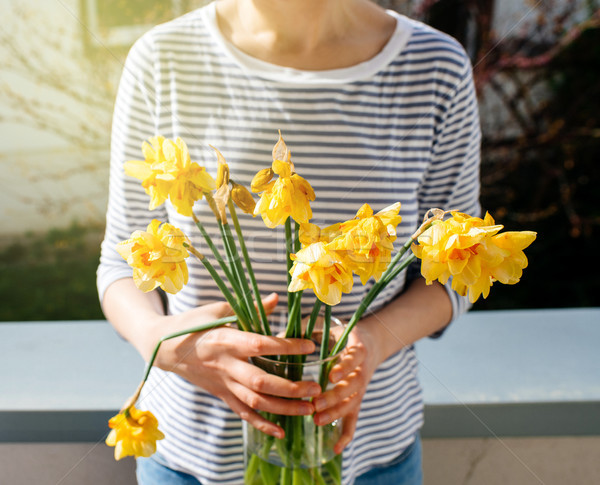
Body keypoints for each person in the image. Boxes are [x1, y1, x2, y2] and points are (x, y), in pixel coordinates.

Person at [97, 0, 481, 484]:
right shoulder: (162, 58)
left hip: (369, 459)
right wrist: (162, 343)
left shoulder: (433, 67)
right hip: (191, 458)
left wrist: (373, 341)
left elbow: (457, 274)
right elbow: (120, 261)